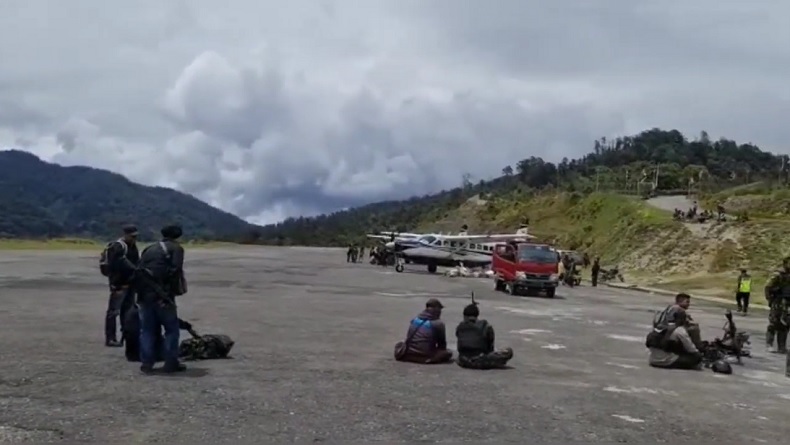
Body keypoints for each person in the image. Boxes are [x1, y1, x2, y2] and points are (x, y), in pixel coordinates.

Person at [135, 224, 187, 374]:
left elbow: (140, 271)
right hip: (162, 296)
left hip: (145, 295)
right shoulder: (176, 248)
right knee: (171, 329)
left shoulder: (149, 248)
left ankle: (146, 363)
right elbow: (175, 271)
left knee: (147, 330)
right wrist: (167, 295)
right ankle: (170, 363)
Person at [104, 224, 140, 347]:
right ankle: (110, 338)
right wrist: (115, 285)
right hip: (120, 285)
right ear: (125, 235)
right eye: (132, 236)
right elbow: (113, 268)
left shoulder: (132, 246)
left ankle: (126, 336)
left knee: (127, 312)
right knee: (113, 312)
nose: (134, 239)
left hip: (130, 284)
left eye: (135, 236)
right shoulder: (118, 247)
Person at [394, 298, 453, 364]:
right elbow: (442, 345)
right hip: (425, 355)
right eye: (439, 309)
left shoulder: (415, 320)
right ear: (436, 309)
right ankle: (429, 360)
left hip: (409, 353)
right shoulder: (438, 323)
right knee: (448, 353)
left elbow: (408, 338)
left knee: (400, 344)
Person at [455, 302, 512, 369]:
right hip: (481, 359)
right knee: (508, 351)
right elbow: (490, 347)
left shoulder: (460, 327)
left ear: (464, 316)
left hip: (464, 361)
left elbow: (459, 345)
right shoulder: (485, 326)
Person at [765, 257, 790, 354]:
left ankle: (782, 346)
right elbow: (768, 287)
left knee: (786, 324)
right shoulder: (778, 275)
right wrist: (770, 300)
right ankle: (769, 344)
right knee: (774, 323)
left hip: (787, 303)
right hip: (777, 301)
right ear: (785, 264)